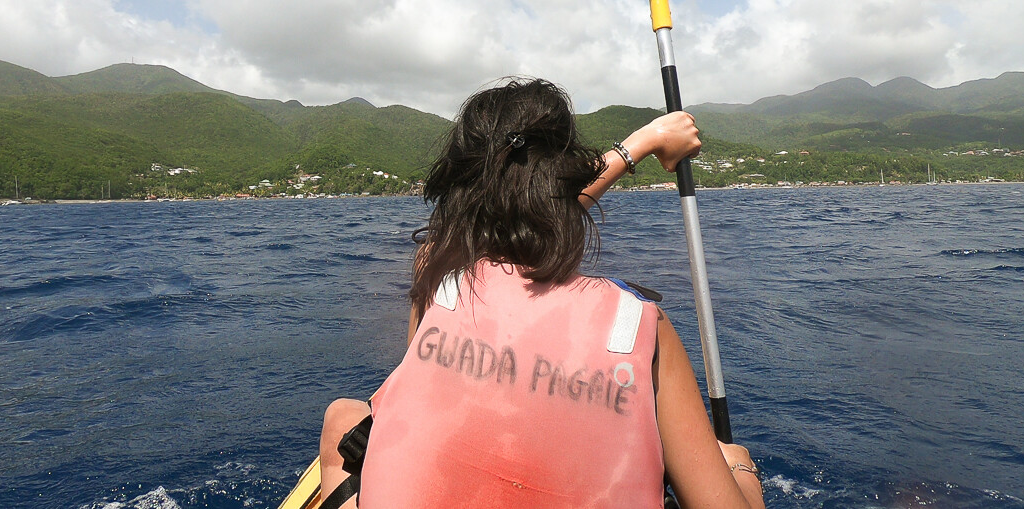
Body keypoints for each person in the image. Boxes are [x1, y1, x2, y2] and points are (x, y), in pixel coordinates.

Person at [319, 78, 765, 509]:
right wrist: (740, 469)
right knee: (730, 458)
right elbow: (541, 211)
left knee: (343, 415)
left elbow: (513, 219)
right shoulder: (640, 328)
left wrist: (641, 143)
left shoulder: (437, 271)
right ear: (566, 180)